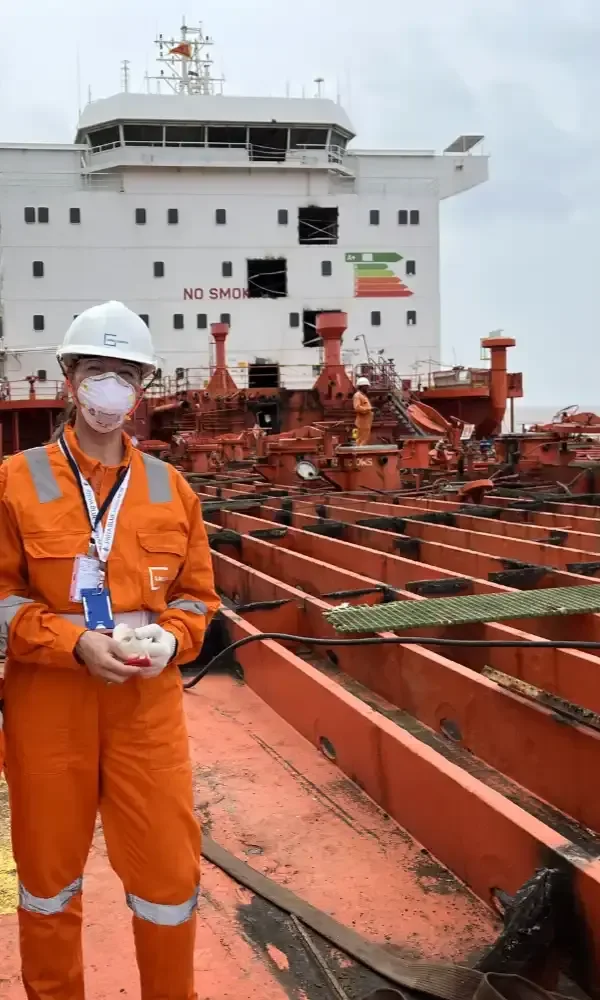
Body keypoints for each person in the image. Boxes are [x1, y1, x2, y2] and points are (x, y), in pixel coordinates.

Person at [0, 300, 220, 1000]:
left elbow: (197, 596)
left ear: (142, 387)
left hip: (146, 705)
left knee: (168, 879)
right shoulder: (15, 481)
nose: (110, 388)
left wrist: (172, 636)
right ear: (69, 379)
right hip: (49, 705)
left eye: (126, 375)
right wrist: (73, 643)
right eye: (97, 371)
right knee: (47, 880)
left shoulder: (170, 488)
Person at [353, 376, 373, 446]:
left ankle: (361, 451)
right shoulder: (357, 395)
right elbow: (357, 407)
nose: (368, 388)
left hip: (366, 423)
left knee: (364, 440)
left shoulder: (363, 396)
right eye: (366, 386)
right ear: (362, 386)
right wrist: (369, 409)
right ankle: (359, 452)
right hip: (362, 423)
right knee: (361, 440)